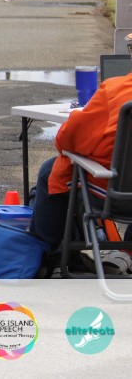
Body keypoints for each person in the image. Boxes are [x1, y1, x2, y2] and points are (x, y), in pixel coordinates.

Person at [29, 34, 132, 269]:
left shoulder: (115, 90)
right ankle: (127, 250)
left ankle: (46, 254)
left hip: (116, 194)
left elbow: (72, 139)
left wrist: (76, 118)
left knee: (50, 170)